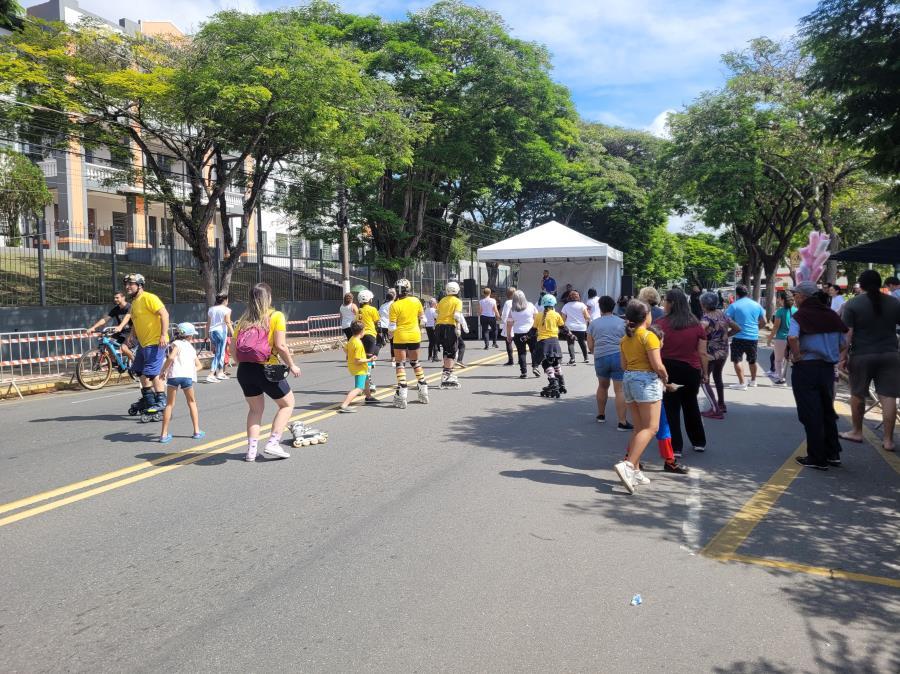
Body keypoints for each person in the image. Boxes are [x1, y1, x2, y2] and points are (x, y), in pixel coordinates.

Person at [233, 282, 301, 462]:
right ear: (268, 298)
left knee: (255, 410)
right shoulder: (276, 316)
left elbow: (233, 349)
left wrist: (243, 363)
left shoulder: (243, 320)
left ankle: (251, 451)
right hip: (267, 368)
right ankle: (273, 442)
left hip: (245, 370)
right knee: (287, 404)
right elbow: (280, 345)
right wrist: (292, 365)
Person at [787, 281, 848, 469]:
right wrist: (830, 353)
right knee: (826, 410)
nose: (794, 298)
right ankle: (833, 453)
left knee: (810, 413)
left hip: (806, 368)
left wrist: (797, 355)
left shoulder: (800, 315)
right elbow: (844, 344)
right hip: (827, 368)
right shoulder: (831, 315)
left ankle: (816, 457)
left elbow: (792, 337)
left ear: (803, 297)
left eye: (796, 295)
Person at [838, 270, 900, 451]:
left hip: (862, 356)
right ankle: (888, 440)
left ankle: (857, 431)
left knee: (858, 394)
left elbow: (847, 334)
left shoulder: (853, 304)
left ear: (861, 285)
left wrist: (842, 356)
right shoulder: (894, 303)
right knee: (888, 396)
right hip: (890, 355)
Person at [613, 300, 668, 494]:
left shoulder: (625, 339)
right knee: (652, 427)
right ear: (646, 316)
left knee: (638, 427)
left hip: (628, 379)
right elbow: (657, 365)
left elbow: (624, 365)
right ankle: (628, 466)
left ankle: (635, 469)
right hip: (646, 381)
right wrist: (665, 377)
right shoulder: (649, 336)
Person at [657, 288, 708, 457]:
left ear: (671, 303)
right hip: (691, 370)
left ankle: (676, 446)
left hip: (668, 370)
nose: (663, 303)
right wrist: (705, 373)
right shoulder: (697, 325)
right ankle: (698, 441)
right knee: (691, 405)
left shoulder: (660, 324)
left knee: (671, 408)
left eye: (665, 300)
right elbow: (702, 352)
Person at [123, 273, 170, 419]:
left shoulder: (149, 298)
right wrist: (131, 335)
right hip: (144, 344)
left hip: (156, 342)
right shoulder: (135, 302)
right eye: (126, 284)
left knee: (152, 372)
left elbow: (165, 315)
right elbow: (136, 321)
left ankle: (161, 401)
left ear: (140, 285)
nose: (127, 287)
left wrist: (163, 335)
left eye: (131, 284)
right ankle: (149, 399)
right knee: (139, 371)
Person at [587, 295, 630, 429]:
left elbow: (590, 346)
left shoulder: (594, 323)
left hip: (600, 357)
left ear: (600, 308)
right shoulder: (622, 323)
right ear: (614, 307)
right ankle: (622, 422)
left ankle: (601, 415)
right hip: (618, 357)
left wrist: (597, 351)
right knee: (620, 391)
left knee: (602, 386)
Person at [159, 322, 204, 443]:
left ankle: (163, 434)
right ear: (189, 336)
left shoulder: (176, 344)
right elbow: (199, 366)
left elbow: (171, 357)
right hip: (187, 377)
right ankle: (196, 431)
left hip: (174, 376)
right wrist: (189, 370)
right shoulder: (191, 348)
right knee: (192, 402)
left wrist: (163, 370)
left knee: (169, 404)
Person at [388, 278, 428, 408]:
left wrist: (390, 335)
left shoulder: (394, 305)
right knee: (415, 362)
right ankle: (423, 388)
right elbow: (423, 319)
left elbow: (392, 326)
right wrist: (420, 330)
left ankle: (402, 390)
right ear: (408, 289)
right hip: (415, 335)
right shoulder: (416, 301)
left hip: (400, 336)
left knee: (400, 364)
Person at [699, 291, 736, 418]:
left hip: (710, 352)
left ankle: (715, 409)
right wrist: (725, 336)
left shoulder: (706, 318)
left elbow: (698, 333)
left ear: (703, 304)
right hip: (724, 350)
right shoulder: (723, 314)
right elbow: (737, 328)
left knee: (704, 379)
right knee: (718, 376)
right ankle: (721, 404)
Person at [725, 284, 766, 389]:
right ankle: (753, 381)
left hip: (738, 336)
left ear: (737, 294)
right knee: (753, 360)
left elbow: (725, 319)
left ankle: (742, 383)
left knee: (737, 360)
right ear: (747, 293)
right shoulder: (756, 305)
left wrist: (727, 333)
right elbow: (764, 321)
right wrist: (756, 329)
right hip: (753, 337)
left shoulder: (734, 305)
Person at [338, 321, 375, 412]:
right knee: (359, 388)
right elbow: (358, 360)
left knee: (366, 380)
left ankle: (368, 397)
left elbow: (345, 348)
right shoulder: (358, 343)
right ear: (362, 331)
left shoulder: (352, 339)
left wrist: (349, 354)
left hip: (355, 366)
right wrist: (370, 360)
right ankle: (345, 405)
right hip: (359, 368)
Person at [435, 281, 466, 389]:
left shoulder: (442, 300)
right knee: (452, 351)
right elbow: (457, 316)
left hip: (439, 327)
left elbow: (436, 314)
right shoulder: (457, 301)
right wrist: (458, 328)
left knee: (446, 350)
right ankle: (447, 374)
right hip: (449, 327)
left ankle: (448, 372)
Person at [87, 291, 134, 361]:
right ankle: (114, 362)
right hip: (121, 332)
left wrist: (120, 327)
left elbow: (127, 317)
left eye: (117, 298)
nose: (115, 299)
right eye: (114, 298)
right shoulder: (116, 309)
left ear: (123, 298)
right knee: (108, 343)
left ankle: (136, 363)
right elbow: (105, 319)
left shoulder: (130, 307)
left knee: (124, 348)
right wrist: (93, 327)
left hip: (131, 332)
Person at [536, 295, 567, 397]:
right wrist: (571, 335)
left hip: (543, 342)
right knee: (555, 362)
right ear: (554, 304)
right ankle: (561, 384)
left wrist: (525, 337)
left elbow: (532, 330)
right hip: (554, 342)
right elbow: (563, 328)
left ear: (543, 304)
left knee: (546, 363)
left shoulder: (538, 315)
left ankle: (553, 383)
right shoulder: (557, 315)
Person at [506, 290, 540, 379]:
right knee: (534, 350)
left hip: (518, 333)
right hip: (531, 332)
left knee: (521, 352)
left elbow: (509, 323)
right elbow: (536, 318)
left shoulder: (512, 309)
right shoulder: (531, 305)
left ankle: (523, 372)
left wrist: (509, 335)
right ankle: (535, 367)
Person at [766, 291, 796, 385]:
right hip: (794, 338)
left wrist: (770, 338)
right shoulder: (796, 310)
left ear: (782, 299)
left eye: (779, 298)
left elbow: (776, 327)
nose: (778, 300)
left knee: (778, 360)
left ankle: (781, 378)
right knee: (790, 360)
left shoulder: (780, 311)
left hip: (781, 338)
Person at [356, 289, 381, 401]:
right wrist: (381, 333)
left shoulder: (359, 311)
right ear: (369, 299)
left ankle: (363, 385)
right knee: (370, 359)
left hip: (361, 336)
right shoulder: (372, 309)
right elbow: (377, 322)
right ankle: (369, 382)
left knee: (364, 359)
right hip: (370, 335)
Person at [206, 292, 233, 383]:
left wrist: (206, 334)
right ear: (225, 300)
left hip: (212, 332)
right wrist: (233, 333)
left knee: (220, 352)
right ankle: (211, 374)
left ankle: (220, 372)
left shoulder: (211, 309)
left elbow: (208, 323)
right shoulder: (227, 310)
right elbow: (228, 322)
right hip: (221, 332)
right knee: (219, 353)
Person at [560, 290, 591, 364]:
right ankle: (586, 358)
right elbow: (587, 317)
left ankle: (572, 359)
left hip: (570, 327)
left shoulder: (566, 306)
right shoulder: (582, 305)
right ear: (578, 297)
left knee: (570, 343)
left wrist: (562, 327)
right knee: (582, 342)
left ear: (569, 297)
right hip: (581, 327)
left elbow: (563, 318)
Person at [498, 286, 516, 366]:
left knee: (509, 342)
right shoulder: (519, 301)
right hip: (518, 324)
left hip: (510, 324)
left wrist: (503, 321)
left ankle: (511, 360)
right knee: (520, 344)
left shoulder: (508, 302)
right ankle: (521, 360)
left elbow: (505, 314)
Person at [378, 289, 396, 366]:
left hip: (382, 325)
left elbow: (379, 314)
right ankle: (393, 358)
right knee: (393, 342)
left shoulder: (382, 305)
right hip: (390, 325)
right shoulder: (394, 304)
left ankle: (373, 357)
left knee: (378, 343)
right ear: (394, 297)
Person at [424, 297, 439, 362]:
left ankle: (429, 356)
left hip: (427, 326)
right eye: (435, 303)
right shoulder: (434, 310)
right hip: (433, 326)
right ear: (433, 304)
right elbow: (436, 317)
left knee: (431, 342)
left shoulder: (426, 310)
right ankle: (435, 356)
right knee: (435, 341)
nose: (436, 304)